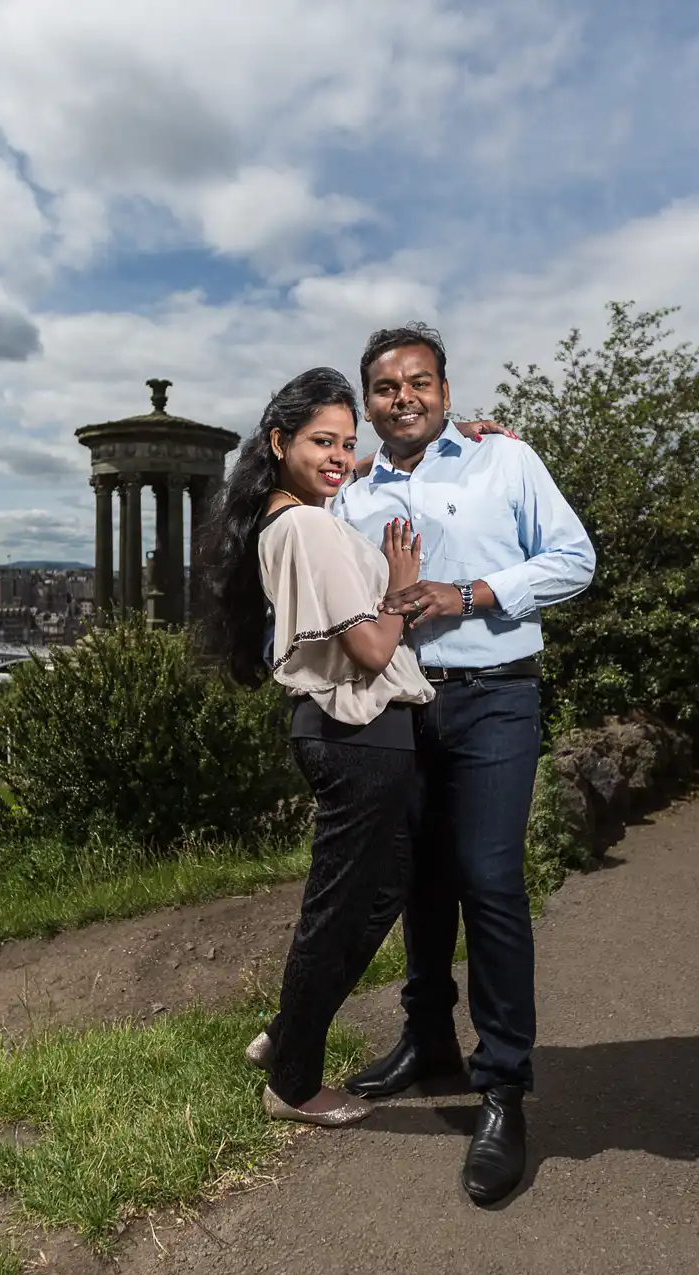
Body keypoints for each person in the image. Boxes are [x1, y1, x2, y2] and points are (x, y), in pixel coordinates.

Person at [334, 323, 596, 1205]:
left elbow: (574, 559)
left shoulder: (504, 462)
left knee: (488, 878)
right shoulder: (350, 493)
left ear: (446, 390)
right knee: (417, 877)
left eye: (418, 381)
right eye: (384, 386)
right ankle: (426, 1038)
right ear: (368, 403)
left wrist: (471, 594)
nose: (402, 396)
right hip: (399, 700)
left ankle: (504, 1087)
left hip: (493, 695)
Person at [197, 367, 433, 1129]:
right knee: (335, 910)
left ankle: (288, 1034)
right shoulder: (307, 526)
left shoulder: (286, 515)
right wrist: (400, 586)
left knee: (381, 887)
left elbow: (330, 468)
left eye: (346, 442)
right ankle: (294, 1083)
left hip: (349, 733)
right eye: (321, 441)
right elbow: (369, 648)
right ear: (278, 441)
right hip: (358, 734)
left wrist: (407, 448)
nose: (339, 456)